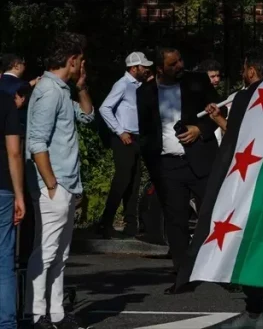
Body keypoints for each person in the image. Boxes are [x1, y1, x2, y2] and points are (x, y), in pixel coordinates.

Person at [203, 48, 263, 329]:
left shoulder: (245, 97)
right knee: (260, 245)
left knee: (246, 245)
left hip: (247, 180)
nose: (243, 72)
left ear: (252, 70)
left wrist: (219, 120)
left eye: (244, 67)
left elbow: (238, 138)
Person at [136, 47, 219, 291]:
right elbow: (146, 132)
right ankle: (183, 276)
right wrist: (153, 163)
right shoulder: (146, 93)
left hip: (200, 160)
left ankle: (225, 272)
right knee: (176, 221)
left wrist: (199, 130)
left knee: (215, 214)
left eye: (180, 60)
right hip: (168, 165)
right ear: (160, 68)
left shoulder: (197, 81)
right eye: (173, 64)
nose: (180, 66)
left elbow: (218, 110)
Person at [25, 33, 94, 329]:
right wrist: (51, 184)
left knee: (60, 254)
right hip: (55, 185)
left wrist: (82, 88)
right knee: (47, 250)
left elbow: (88, 117)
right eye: (81, 61)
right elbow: (37, 142)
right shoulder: (50, 92)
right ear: (72, 60)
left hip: (64, 183)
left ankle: (56, 314)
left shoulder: (62, 90)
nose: (83, 66)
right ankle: (36, 314)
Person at [96, 52, 152, 239]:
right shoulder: (123, 84)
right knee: (122, 180)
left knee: (134, 180)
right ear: (133, 68)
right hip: (124, 139)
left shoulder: (140, 86)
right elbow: (105, 108)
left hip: (136, 137)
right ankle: (106, 222)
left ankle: (130, 223)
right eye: (143, 67)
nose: (146, 70)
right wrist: (119, 131)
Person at [1, 87, 25, 329]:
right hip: (2, 187)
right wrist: (19, 194)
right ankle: (6, 323)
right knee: (4, 259)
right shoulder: (6, 102)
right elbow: (14, 152)